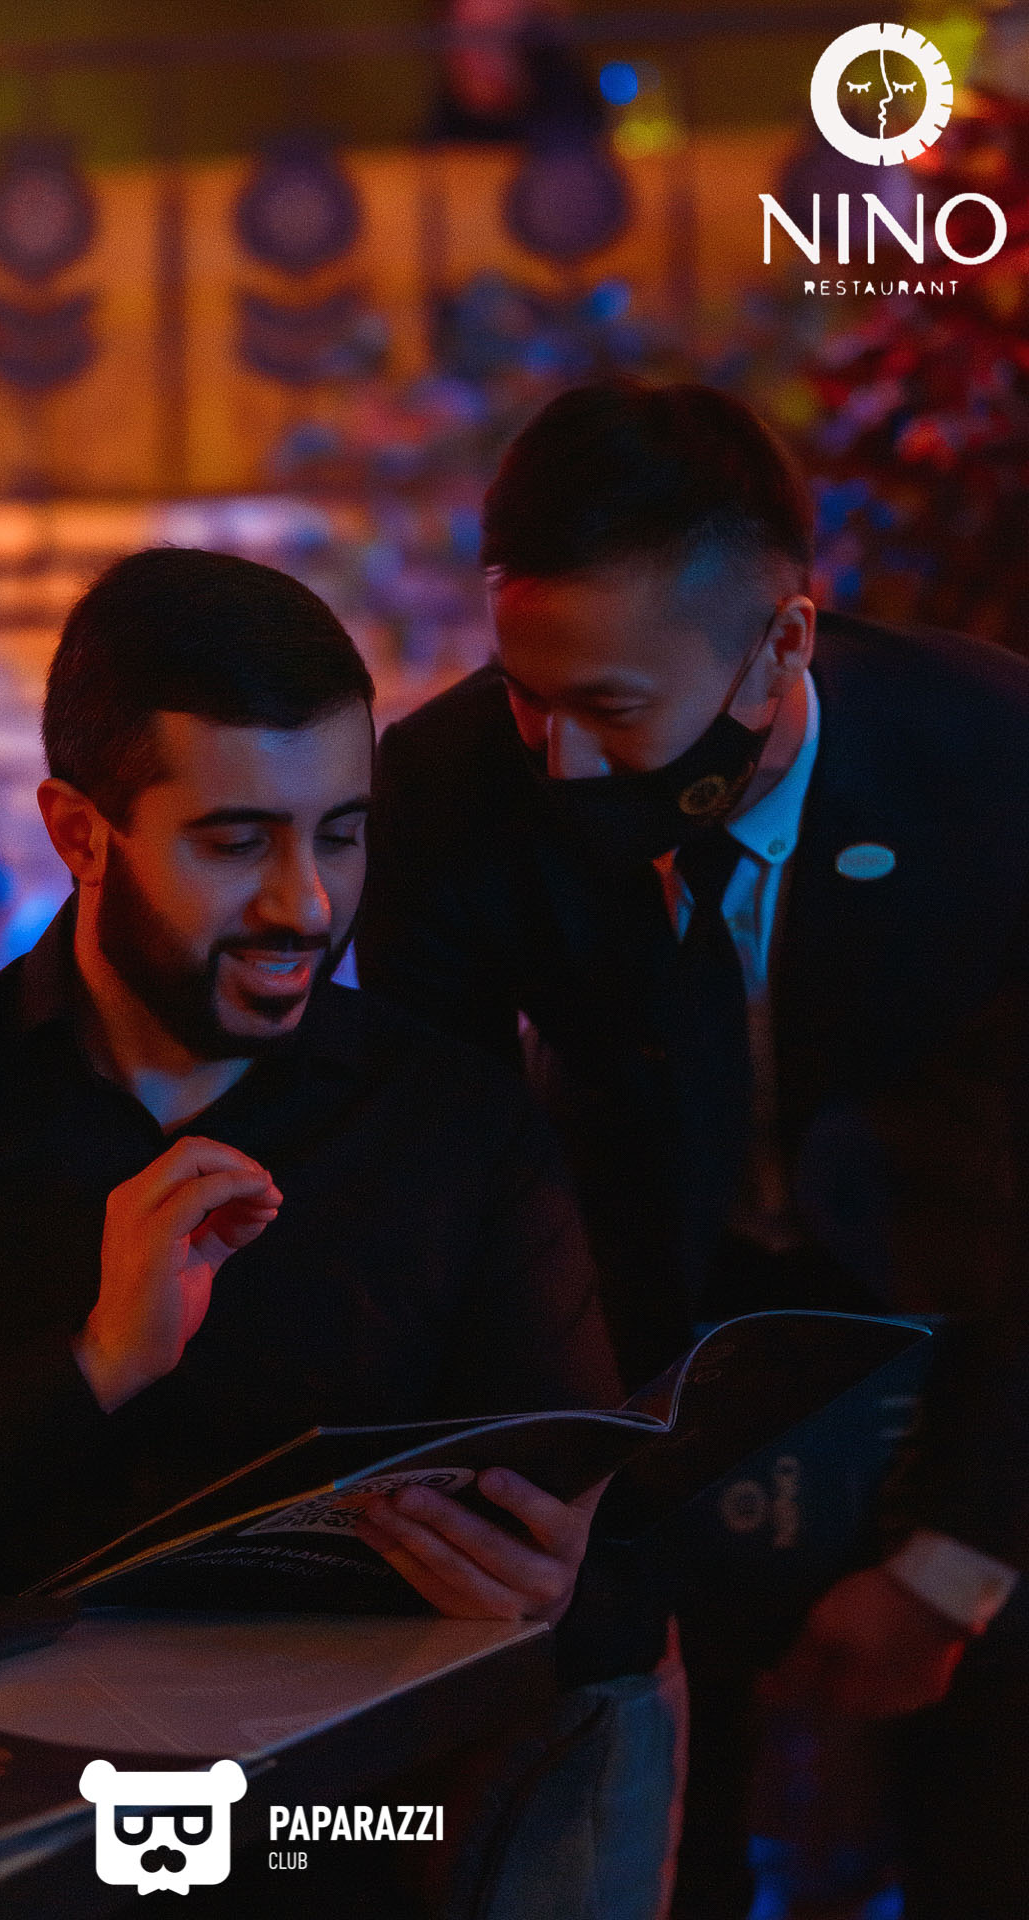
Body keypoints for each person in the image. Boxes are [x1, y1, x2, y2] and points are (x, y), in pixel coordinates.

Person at [0, 544, 623, 1628]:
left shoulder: (452, 1122)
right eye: (237, 844)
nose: (305, 904)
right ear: (80, 834)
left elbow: (564, 1513)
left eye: (341, 836)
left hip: (366, 1735)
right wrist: (93, 1367)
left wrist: (555, 1578)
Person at [355, 379, 1029, 1918]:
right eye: (525, 693)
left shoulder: (995, 765)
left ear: (783, 642)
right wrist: (540, 1499)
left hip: (968, 1331)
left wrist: (956, 1560)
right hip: (646, 1349)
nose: (561, 761)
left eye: (609, 709)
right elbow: (452, 1186)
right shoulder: (450, 794)